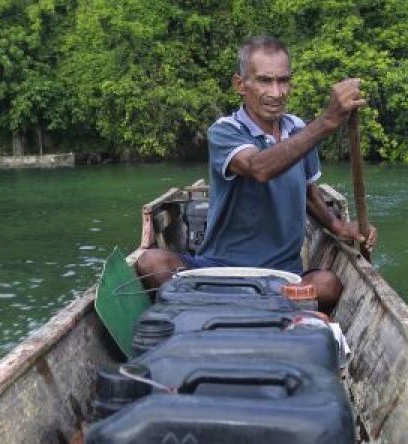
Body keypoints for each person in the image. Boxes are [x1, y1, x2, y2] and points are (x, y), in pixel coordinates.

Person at [134, 35, 378, 311]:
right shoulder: (225, 131)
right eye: (264, 80)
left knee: (328, 284)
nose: (276, 92)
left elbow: (309, 195)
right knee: (150, 262)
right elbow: (258, 168)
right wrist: (327, 121)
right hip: (218, 271)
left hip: (283, 277)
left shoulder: (299, 131)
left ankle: (218, 305)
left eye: (283, 80)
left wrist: (338, 226)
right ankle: (257, 305)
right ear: (240, 84)